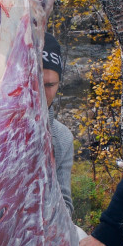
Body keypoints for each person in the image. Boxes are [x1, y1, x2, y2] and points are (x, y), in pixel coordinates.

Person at [42, 32, 74, 215]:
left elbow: (66, 204)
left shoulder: (61, 137)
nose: (40, 92)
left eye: (49, 85)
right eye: (34, 81)